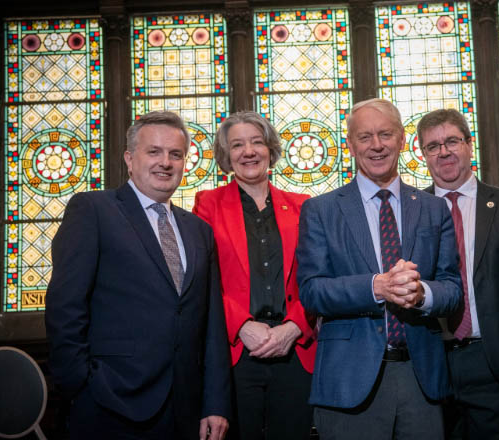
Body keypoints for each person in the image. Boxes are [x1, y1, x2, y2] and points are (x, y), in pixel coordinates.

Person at [45, 111, 231, 440]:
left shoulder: (199, 230)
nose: (166, 162)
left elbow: (212, 324)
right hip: (111, 402)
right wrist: (80, 385)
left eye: (176, 154)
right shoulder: (93, 210)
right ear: (130, 159)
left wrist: (215, 402)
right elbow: (65, 305)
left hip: (185, 409)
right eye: (154, 151)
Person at [296, 98, 463, 439]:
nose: (376, 145)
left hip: (421, 380)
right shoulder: (321, 210)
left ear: (402, 139)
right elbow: (312, 292)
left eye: (385, 134)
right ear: (350, 144)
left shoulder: (434, 209)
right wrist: (376, 287)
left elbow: (452, 288)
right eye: (365, 137)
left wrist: (423, 294)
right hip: (349, 380)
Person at [192, 111, 316, 440]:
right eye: (237, 145)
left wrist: (295, 327)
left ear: (270, 149)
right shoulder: (208, 205)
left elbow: (318, 280)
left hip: (294, 351)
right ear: (226, 156)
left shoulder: (304, 206)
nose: (248, 151)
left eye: (256, 142)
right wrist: (242, 326)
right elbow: (202, 280)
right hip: (236, 353)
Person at [418, 109, 499, 439]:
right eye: (433, 146)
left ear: (469, 144)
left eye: (452, 141)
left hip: (493, 361)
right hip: (430, 361)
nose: (444, 151)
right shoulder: (410, 209)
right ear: (423, 154)